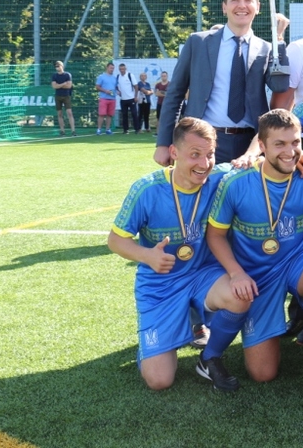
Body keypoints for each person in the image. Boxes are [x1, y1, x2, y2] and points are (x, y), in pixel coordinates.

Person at [205, 110, 303, 404]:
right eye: (279, 144)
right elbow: (214, 235)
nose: (290, 152)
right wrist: (236, 274)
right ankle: (296, 313)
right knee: (263, 373)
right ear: (261, 146)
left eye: (295, 143)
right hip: (256, 278)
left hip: (297, 262)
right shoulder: (236, 182)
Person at [107, 117, 251, 391]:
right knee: (159, 380)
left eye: (210, 154)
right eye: (194, 154)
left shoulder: (219, 178)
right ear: (174, 152)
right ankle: (160, 340)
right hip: (161, 284)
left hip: (203, 274)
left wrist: (301, 155)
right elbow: (115, 241)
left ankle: (209, 358)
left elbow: (263, 161)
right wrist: (147, 256)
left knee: (239, 294)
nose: (204, 163)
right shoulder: (147, 189)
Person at [154, 0, 289, 166]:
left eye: (248, 0)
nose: (242, 5)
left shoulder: (266, 49)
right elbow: (175, 93)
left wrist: (278, 40)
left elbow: (280, 85)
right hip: (201, 141)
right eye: (235, 0)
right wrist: (163, 143)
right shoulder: (198, 43)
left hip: (250, 146)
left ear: (258, 7)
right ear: (224, 7)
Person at [51, 60, 76, 136]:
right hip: (58, 96)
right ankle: (62, 131)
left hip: (66, 96)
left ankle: (73, 131)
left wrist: (59, 85)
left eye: (58, 66)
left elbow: (69, 86)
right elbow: (54, 86)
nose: (57, 67)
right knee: (59, 114)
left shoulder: (67, 75)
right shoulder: (54, 76)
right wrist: (63, 84)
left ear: (62, 66)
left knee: (69, 113)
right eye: (56, 66)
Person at [95, 62, 118, 135]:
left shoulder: (114, 78)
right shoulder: (101, 77)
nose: (112, 69)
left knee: (109, 115)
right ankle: (99, 129)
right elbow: (97, 87)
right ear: (107, 67)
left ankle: (108, 129)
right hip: (104, 98)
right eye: (111, 68)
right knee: (101, 114)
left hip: (112, 99)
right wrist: (105, 91)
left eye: (113, 68)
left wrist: (118, 92)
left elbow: (116, 87)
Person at [116, 63, 139, 135]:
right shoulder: (118, 76)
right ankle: (125, 130)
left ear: (125, 69)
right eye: (120, 69)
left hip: (131, 98)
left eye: (123, 69)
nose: (122, 70)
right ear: (119, 69)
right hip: (123, 99)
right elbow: (116, 86)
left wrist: (135, 96)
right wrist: (118, 91)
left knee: (134, 114)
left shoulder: (130, 75)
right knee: (124, 114)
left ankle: (137, 129)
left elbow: (136, 86)